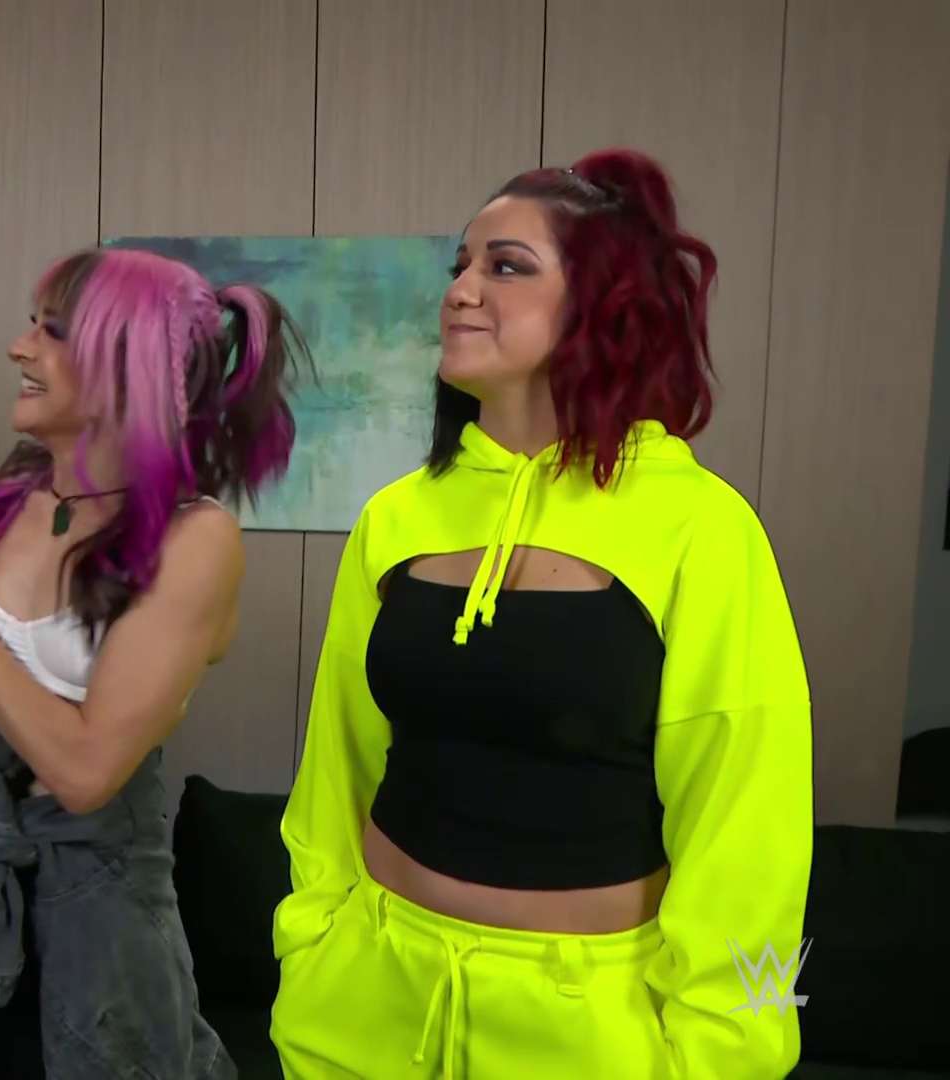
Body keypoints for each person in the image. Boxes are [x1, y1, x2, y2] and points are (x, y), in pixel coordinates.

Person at [269, 148, 812, 1079]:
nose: (461, 291)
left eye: (507, 266)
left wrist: (722, 1054)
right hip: (360, 1005)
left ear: (605, 305)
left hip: (584, 1034)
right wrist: (309, 942)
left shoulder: (701, 528)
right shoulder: (397, 517)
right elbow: (336, 765)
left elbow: (746, 829)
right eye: (461, 266)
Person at [0, 245, 305, 1078]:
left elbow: (85, 770)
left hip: (97, 914)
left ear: (125, 368)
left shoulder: (195, 540)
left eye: (52, 332)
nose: (18, 348)